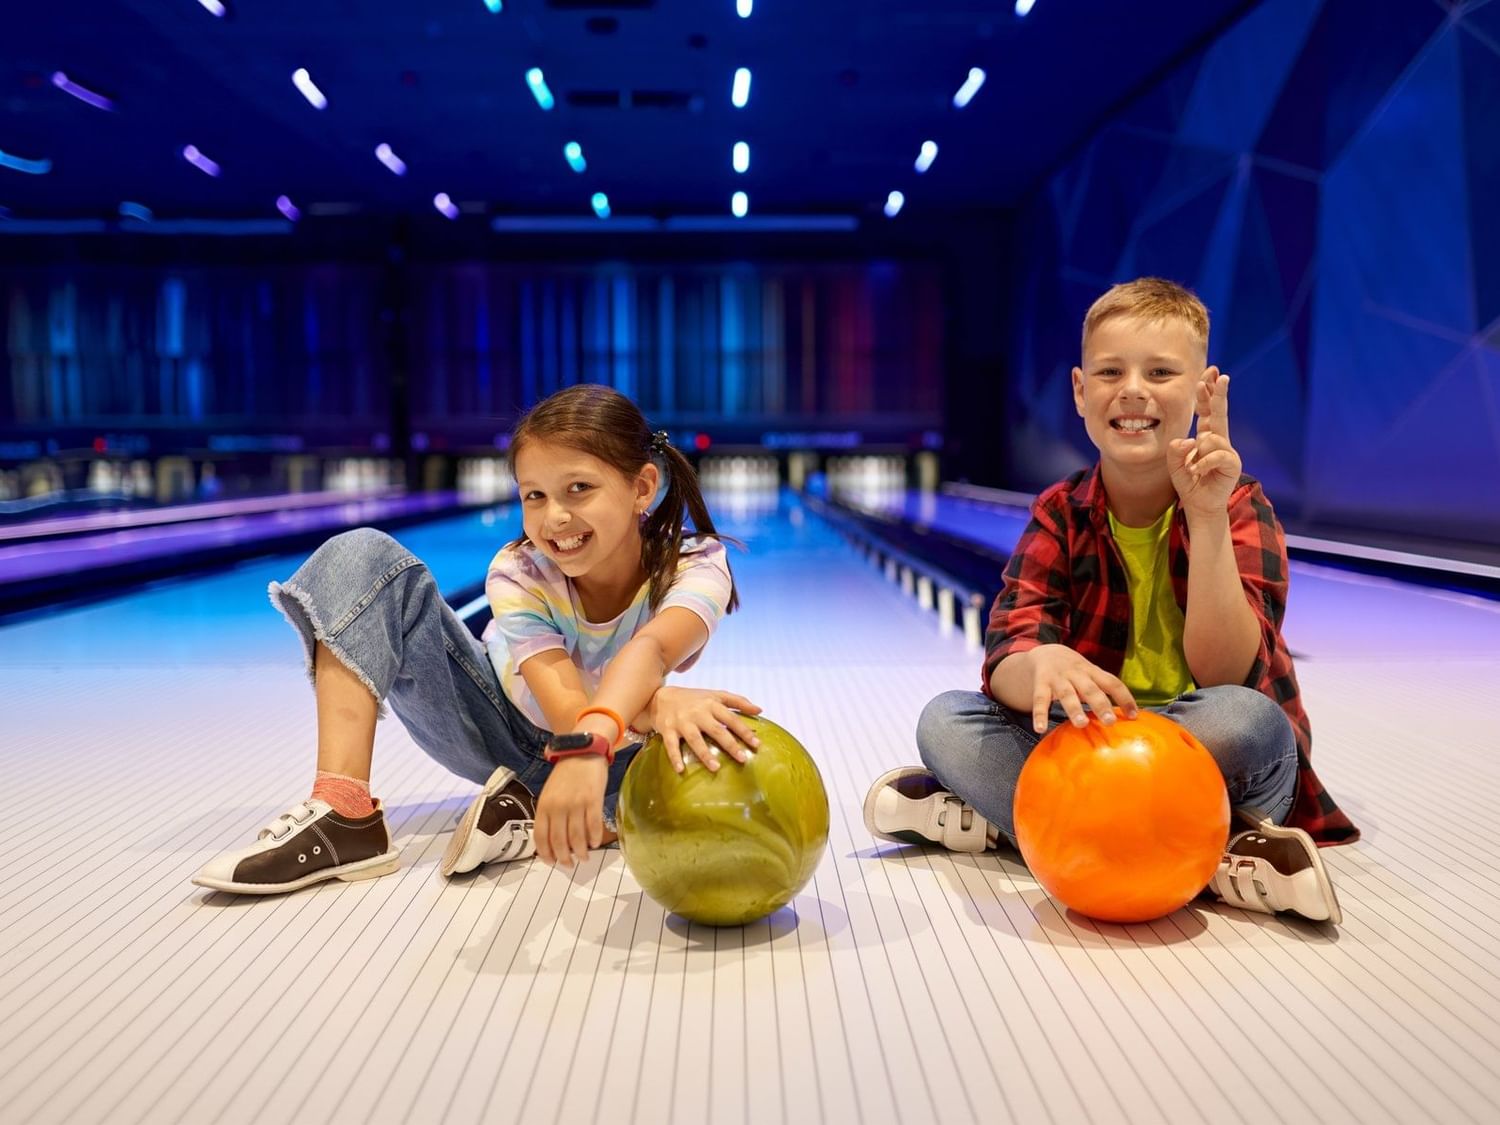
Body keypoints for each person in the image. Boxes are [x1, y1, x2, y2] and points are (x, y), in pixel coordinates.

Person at [863, 277, 1357, 923]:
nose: (1133, 389)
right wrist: (1041, 664)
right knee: (946, 720)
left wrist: (1205, 518)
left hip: (1204, 749)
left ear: (1201, 389)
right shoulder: (1060, 513)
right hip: (1095, 748)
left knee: (1248, 720)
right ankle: (1228, 852)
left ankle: (1016, 825)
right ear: (1079, 391)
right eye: (1110, 371)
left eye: (1160, 371)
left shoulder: (1237, 505)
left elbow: (1230, 674)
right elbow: (1007, 653)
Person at [194, 384, 758, 894]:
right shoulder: (519, 571)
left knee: (715, 736)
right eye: (533, 495)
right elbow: (564, 706)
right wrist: (653, 704)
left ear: (642, 487)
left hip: (620, 764)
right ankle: (345, 812)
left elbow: (651, 649)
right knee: (363, 553)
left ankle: (526, 810)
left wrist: (642, 720)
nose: (554, 517)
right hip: (500, 730)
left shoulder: (697, 563)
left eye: (578, 489)